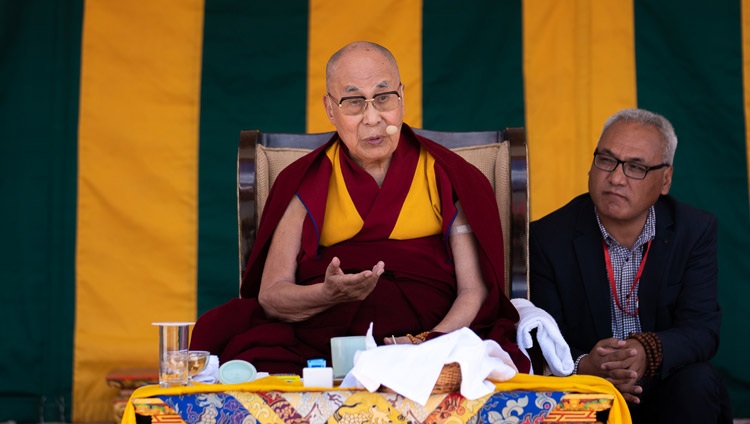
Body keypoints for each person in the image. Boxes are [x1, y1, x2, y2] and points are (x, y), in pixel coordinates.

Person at [190, 41, 530, 375]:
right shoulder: (306, 180)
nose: (372, 118)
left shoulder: (446, 174)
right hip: (325, 348)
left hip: (430, 340)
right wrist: (325, 294)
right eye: (353, 102)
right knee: (244, 348)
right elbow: (272, 296)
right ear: (329, 109)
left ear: (402, 98)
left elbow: (474, 289)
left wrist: (428, 346)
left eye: (383, 98)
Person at [529, 108, 731, 422]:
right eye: (606, 160)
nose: (616, 178)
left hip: (664, 381)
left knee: (698, 382)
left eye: (635, 167)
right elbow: (543, 336)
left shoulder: (693, 231)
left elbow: (702, 330)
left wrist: (648, 351)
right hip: (587, 387)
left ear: (665, 180)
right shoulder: (548, 237)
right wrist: (585, 365)